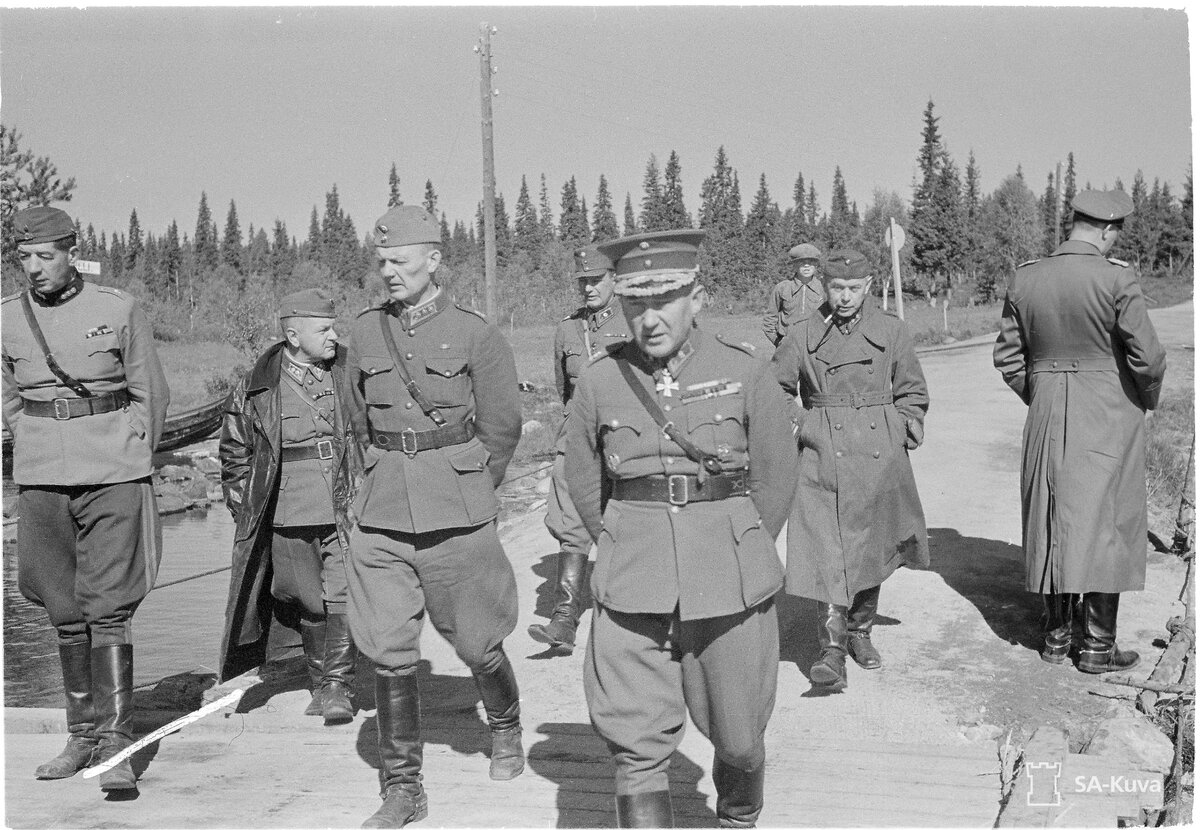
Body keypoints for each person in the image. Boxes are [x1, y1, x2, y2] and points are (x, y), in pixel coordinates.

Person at [566, 229, 799, 828]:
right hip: (633, 577)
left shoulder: (745, 371)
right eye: (635, 304)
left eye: (664, 300)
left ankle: (738, 816)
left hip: (729, 577)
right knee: (635, 745)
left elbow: (776, 478)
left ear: (697, 297)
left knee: (740, 736)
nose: (648, 318)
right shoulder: (598, 381)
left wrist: (739, 545)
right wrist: (620, 543)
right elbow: (587, 485)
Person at [346, 205, 524, 828]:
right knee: (390, 650)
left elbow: (503, 427)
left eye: (399, 261)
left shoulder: (476, 335)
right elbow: (354, 418)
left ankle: (503, 724)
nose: (388, 272)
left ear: (433, 260)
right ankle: (404, 789)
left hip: (457, 510)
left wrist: (471, 485)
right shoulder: (365, 334)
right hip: (383, 511)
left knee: (478, 641)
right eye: (382, 262)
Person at [1, 206, 169, 791]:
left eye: (45, 256)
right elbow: (7, 394)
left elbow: (151, 391)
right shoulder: (8, 319)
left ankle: (117, 743)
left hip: (113, 469)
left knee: (109, 606)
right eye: (25, 257)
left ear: (72, 252)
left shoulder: (116, 308)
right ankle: (82, 734)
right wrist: (28, 435)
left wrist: (134, 455)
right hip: (44, 473)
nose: (35, 268)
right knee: (63, 607)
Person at [993, 189, 1166, 674]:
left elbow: (1008, 358)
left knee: (1052, 514)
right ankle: (1097, 647)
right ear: (1108, 230)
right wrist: (1143, 399)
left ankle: (1054, 638)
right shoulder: (1116, 277)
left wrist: (1044, 393)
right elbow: (1147, 358)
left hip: (1046, 407)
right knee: (1106, 520)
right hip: (1108, 408)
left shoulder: (1026, 277)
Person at [770, 249, 929, 692]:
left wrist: (899, 427)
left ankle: (860, 631)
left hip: (878, 450)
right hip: (822, 449)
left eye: (853, 289)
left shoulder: (892, 331)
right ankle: (831, 651)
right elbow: (775, 390)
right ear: (823, 285)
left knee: (872, 546)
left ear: (868, 285)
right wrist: (803, 424)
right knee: (827, 546)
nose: (844, 297)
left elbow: (912, 391)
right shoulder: (801, 334)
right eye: (836, 288)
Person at [217, 288, 363, 724]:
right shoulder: (258, 384)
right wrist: (246, 509)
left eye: (335, 327)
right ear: (294, 334)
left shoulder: (350, 372)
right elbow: (234, 452)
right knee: (305, 599)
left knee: (344, 592)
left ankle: (338, 686)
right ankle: (321, 683)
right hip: (287, 510)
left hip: (346, 505)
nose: (334, 336)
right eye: (324, 329)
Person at [528, 243, 630, 652]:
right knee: (570, 520)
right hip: (577, 436)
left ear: (615, 281)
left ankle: (628, 613)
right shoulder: (568, 330)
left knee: (627, 517)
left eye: (595, 280)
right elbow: (564, 387)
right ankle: (565, 617)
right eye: (582, 281)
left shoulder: (635, 323)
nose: (588, 288)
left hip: (624, 434)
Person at [762, 242, 824, 346]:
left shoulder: (824, 289)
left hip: (816, 345)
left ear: (816, 266)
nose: (806, 266)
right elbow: (769, 320)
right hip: (788, 344)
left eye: (811, 262)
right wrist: (778, 342)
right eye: (801, 262)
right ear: (794, 266)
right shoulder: (782, 288)